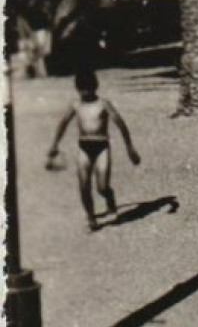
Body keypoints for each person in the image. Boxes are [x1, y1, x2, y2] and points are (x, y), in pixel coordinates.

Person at [46, 69, 141, 232]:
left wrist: (130, 148)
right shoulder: (75, 105)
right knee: (84, 186)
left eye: (88, 88)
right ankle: (91, 218)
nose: (85, 92)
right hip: (84, 148)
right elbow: (63, 124)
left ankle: (109, 197)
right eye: (82, 89)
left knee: (102, 187)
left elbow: (121, 124)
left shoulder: (103, 104)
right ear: (78, 89)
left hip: (101, 148)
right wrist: (54, 145)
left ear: (95, 87)